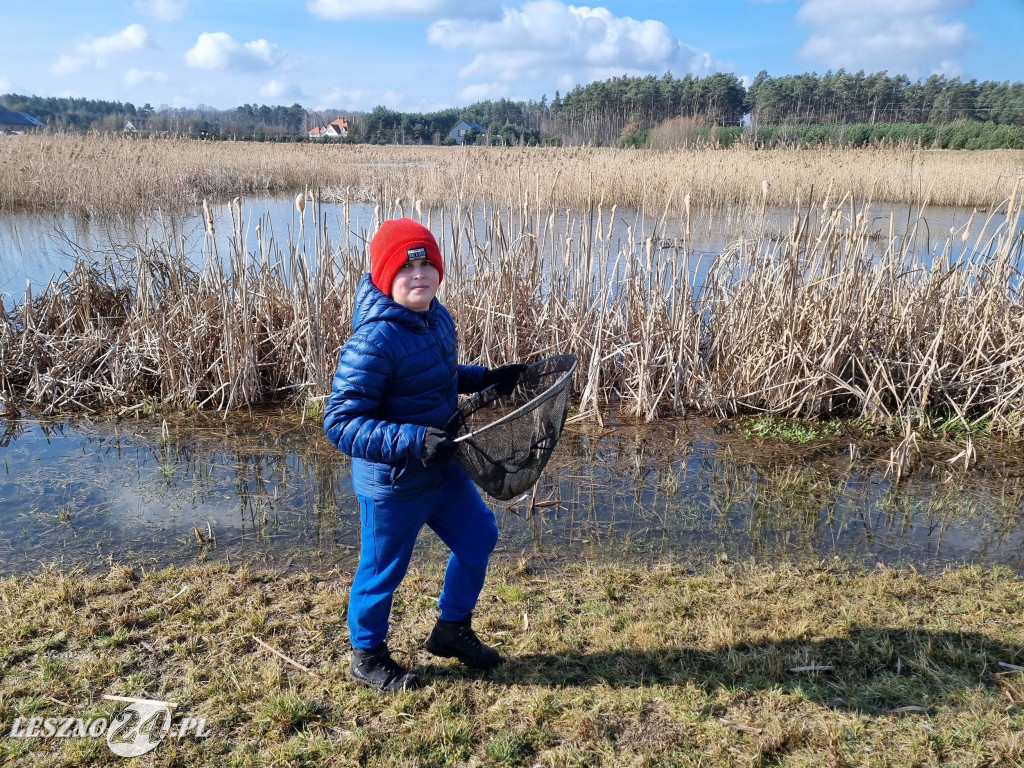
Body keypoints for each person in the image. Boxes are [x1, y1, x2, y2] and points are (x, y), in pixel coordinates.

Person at [324, 218, 525, 693]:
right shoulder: (373, 340)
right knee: (381, 572)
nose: (419, 274)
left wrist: (486, 378)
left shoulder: (437, 317)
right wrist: (412, 441)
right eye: (405, 267)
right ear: (383, 277)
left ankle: (451, 630)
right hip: (393, 483)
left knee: (479, 536)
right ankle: (367, 655)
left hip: (441, 467)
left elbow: (437, 374)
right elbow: (340, 422)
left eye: (426, 263)